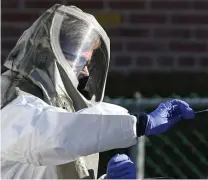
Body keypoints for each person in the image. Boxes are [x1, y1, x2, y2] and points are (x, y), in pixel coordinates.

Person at [1, 4, 195, 179]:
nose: (85, 71)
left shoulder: (56, 109)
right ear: (46, 54)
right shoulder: (12, 102)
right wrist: (140, 123)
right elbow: (55, 135)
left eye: (87, 62)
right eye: (77, 60)